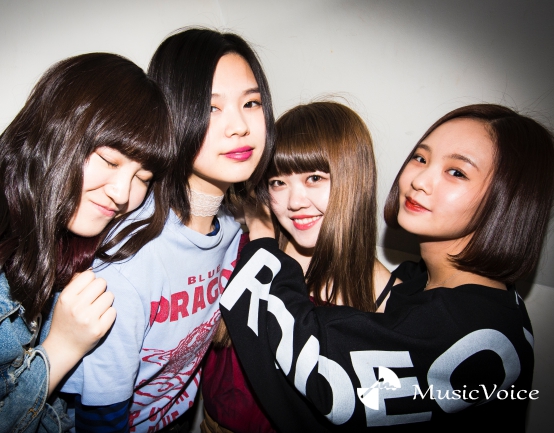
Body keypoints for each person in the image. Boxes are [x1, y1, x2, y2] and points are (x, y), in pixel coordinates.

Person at [220, 104, 552, 431]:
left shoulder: (470, 328)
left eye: (457, 172)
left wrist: (262, 234)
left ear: (508, 201)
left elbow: (321, 372)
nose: (420, 180)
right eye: (421, 158)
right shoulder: (429, 286)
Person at [0, 53, 173, 432]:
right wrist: (62, 349)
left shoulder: (58, 220)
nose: (122, 194)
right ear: (55, 133)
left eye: (142, 177)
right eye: (110, 161)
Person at [61, 28, 275, 433]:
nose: (240, 126)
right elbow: (100, 415)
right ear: (172, 117)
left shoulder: (233, 229)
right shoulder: (129, 260)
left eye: (251, 103)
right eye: (211, 108)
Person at [201, 101, 395, 433]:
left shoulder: (385, 297)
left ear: (353, 180)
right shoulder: (242, 249)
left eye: (314, 178)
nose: (295, 202)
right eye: (278, 182)